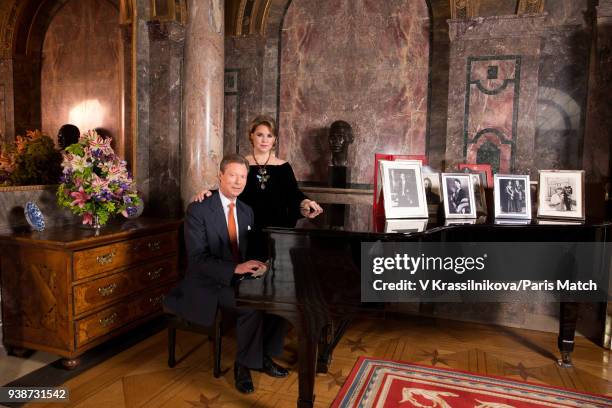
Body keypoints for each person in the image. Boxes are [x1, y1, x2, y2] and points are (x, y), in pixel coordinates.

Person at [164, 154, 289, 394]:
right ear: (220, 176)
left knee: (278, 297)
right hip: (207, 283)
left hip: (236, 278)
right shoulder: (198, 209)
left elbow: (248, 249)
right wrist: (235, 269)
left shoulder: (246, 211)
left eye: (243, 176)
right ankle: (242, 367)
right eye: (232, 175)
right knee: (250, 305)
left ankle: (262, 356)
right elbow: (198, 260)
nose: (238, 181)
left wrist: (261, 265)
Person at [194, 115, 323, 258]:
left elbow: (293, 194)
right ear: (251, 136)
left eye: (269, 135)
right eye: (260, 135)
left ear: (274, 139)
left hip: (278, 229)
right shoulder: (241, 164)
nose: (264, 140)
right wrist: (210, 193)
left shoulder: (284, 167)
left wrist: (306, 202)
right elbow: (230, 189)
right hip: (246, 227)